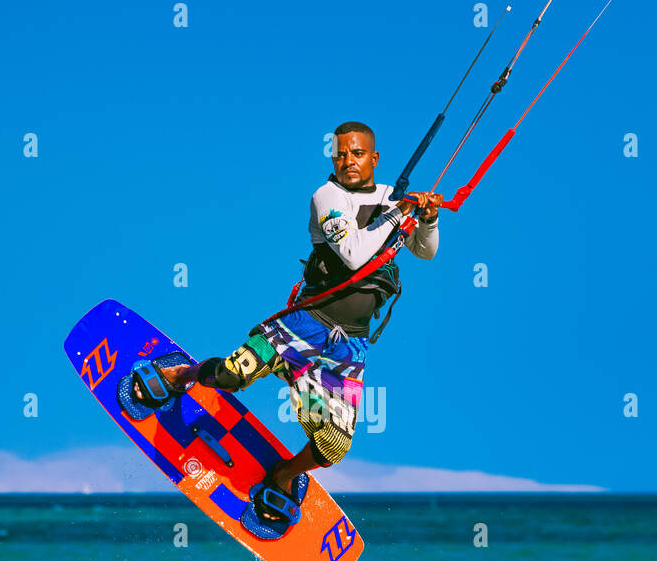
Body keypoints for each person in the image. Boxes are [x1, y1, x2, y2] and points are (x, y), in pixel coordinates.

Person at [132, 121, 443, 531]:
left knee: (332, 444)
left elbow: (425, 252)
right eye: (341, 154)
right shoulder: (327, 196)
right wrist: (398, 213)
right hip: (304, 325)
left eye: (357, 154)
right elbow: (351, 253)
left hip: (344, 349)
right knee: (231, 375)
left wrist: (427, 220)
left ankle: (283, 474)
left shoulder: (391, 199)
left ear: (374, 158)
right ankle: (181, 374)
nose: (348, 161)